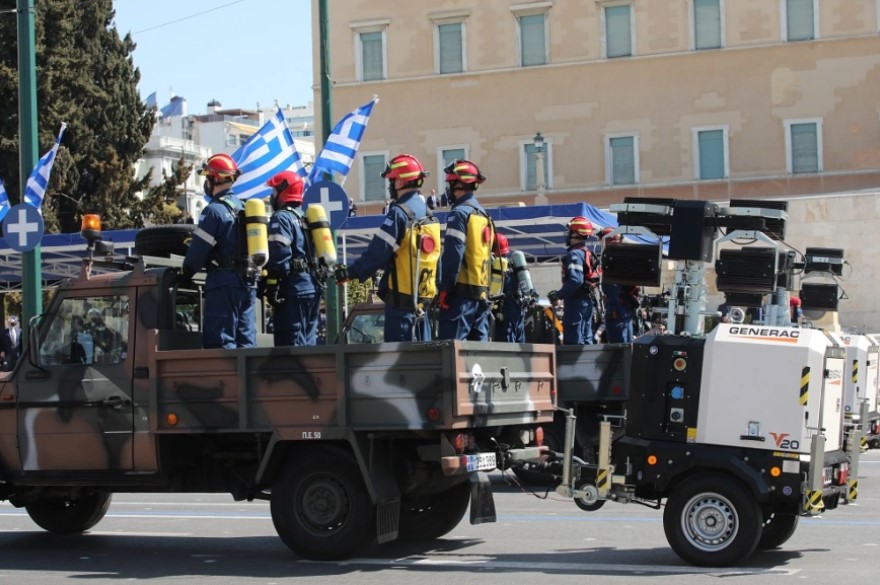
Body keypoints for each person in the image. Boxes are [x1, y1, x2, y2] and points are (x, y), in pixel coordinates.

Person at [335, 154, 440, 342]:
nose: (390, 186)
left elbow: (378, 252)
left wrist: (350, 273)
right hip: (423, 308)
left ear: (400, 182)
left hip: (401, 310)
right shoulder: (429, 216)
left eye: (391, 180)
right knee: (425, 363)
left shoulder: (399, 213)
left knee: (399, 367)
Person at [181, 153, 257, 349]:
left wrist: (186, 272)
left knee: (220, 341)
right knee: (245, 341)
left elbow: (196, 255)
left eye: (207, 177)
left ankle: (226, 381)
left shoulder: (214, 211)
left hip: (224, 283)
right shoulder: (244, 208)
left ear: (213, 179)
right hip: (248, 282)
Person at [264, 170, 323, 347]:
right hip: (312, 287)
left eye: (274, 191)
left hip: (293, 290)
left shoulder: (281, 218)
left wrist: (272, 286)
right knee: (308, 342)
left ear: (283, 191)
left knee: (292, 347)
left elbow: (279, 258)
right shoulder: (305, 218)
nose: (272, 195)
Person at [437, 159, 494, 341]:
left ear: (458, 184)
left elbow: (454, 254)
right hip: (481, 296)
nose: (448, 189)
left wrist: (444, 287)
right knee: (479, 356)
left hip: (461, 297)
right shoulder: (484, 216)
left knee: (453, 354)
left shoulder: (459, 214)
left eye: (450, 184)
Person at [549, 216, 600, 345]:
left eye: (569, 232)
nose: (568, 235)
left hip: (576, 303)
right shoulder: (587, 253)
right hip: (586, 303)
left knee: (574, 342)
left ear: (576, 234)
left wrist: (557, 295)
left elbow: (576, 280)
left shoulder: (575, 254)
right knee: (586, 340)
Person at [598, 228, 640, 343]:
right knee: (627, 344)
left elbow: (613, 290)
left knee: (617, 346)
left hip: (617, 308)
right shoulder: (625, 258)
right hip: (625, 309)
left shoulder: (612, 260)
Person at [491, 234, 529, 343]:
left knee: (507, 343)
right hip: (519, 308)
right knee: (520, 339)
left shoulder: (496, 267)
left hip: (505, 310)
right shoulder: (515, 264)